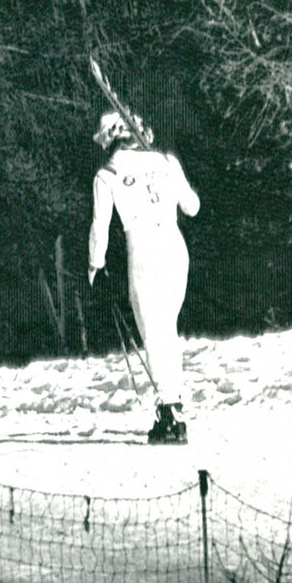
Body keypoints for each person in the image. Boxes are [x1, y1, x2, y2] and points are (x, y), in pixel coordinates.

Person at [88, 111, 200, 443]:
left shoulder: (107, 175)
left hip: (144, 249)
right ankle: (173, 406)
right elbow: (192, 206)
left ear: (109, 140)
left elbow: (100, 228)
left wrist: (96, 266)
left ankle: (168, 411)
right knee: (167, 328)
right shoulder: (166, 161)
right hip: (175, 246)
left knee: (153, 332)